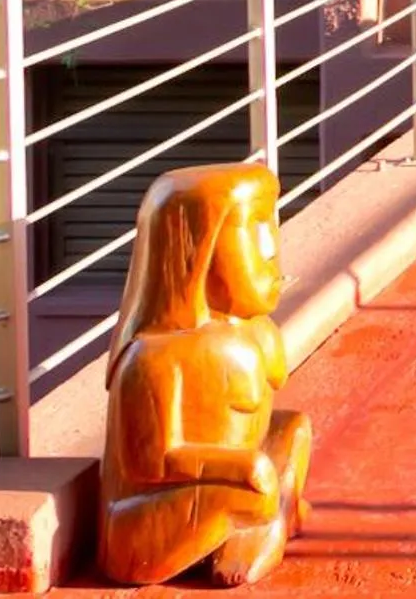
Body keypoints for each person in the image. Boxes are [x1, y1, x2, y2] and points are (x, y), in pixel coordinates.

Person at [100, 164, 312, 587]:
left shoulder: (250, 332)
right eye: (253, 233)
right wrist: (237, 467)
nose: (271, 251)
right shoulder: (155, 357)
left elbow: (270, 379)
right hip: (149, 515)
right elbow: (151, 461)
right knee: (257, 488)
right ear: (198, 251)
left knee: (293, 430)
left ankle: (262, 522)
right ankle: (262, 530)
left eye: (271, 228)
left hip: (230, 476)